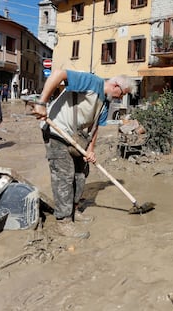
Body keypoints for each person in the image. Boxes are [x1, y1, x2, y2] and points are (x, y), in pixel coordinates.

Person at [31, 69, 137, 238]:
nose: (120, 98)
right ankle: (63, 222)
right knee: (64, 175)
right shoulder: (91, 81)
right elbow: (58, 74)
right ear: (116, 85)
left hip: (76, 137)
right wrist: (41, 103)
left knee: (81, 175)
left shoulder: (105, 103)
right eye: (122, 94)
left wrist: (90, 150)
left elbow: (94, 129)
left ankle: (74, 211)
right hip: (56, 131)